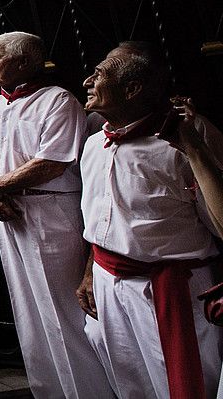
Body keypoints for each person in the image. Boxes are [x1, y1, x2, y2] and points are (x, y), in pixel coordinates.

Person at [76, 41, 223, 399]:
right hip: (109, 284)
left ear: (132, 88)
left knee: (180, 385)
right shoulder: (95, 144)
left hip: (170, 289)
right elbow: (101, 219)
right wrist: (89, 273)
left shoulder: (188, 141)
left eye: (100, 74)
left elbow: (218, 223)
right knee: (130, 383)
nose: (87, 82)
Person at [0, 32, 110, 398]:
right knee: (28, 312)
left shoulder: (58, 101)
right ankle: (49, 391)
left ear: (24, 62)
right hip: (9, 214)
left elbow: (52, 161)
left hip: (50, 212)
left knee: (64, 310)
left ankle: (89, 391)